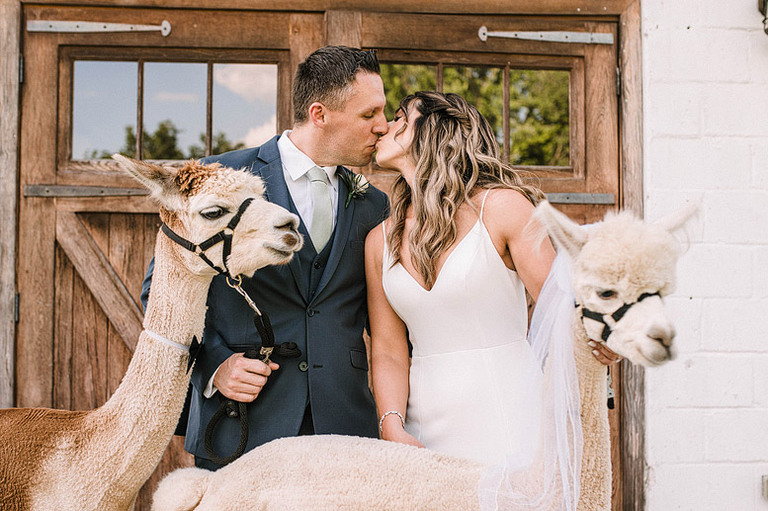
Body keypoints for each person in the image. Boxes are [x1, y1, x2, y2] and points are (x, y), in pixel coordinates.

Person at [141, 45, 389, 470]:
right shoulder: (220, 177)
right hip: (242, 422)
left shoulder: (374, 204)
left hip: (344, 426)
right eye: (369, 115)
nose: (383, 127)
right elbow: (161, 294)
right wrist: (214, 366)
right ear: (319, 114)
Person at [367, 92, 619, 506]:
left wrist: (601, 342)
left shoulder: (503, 208)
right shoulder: (380, 239)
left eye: (399, 118)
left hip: (508, 412)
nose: (385, 127)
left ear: (436, 131)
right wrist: (391, 424)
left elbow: (564, 310)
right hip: (422, 424)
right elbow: (390, 350)